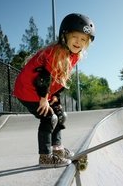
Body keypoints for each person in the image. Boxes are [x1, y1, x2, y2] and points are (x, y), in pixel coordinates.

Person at [13, 13, 95, 168]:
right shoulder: (57, 52)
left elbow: (60, 79)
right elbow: (44, 77)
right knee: (49, 118)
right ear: (65, 36)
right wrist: (44, 99)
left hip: (42, 90)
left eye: (83, 39)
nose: (79, 42)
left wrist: (55, 96)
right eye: (75, 37)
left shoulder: (73, 56)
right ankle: (45, 157)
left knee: (60, 115)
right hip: (29, 89)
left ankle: (57, 149)